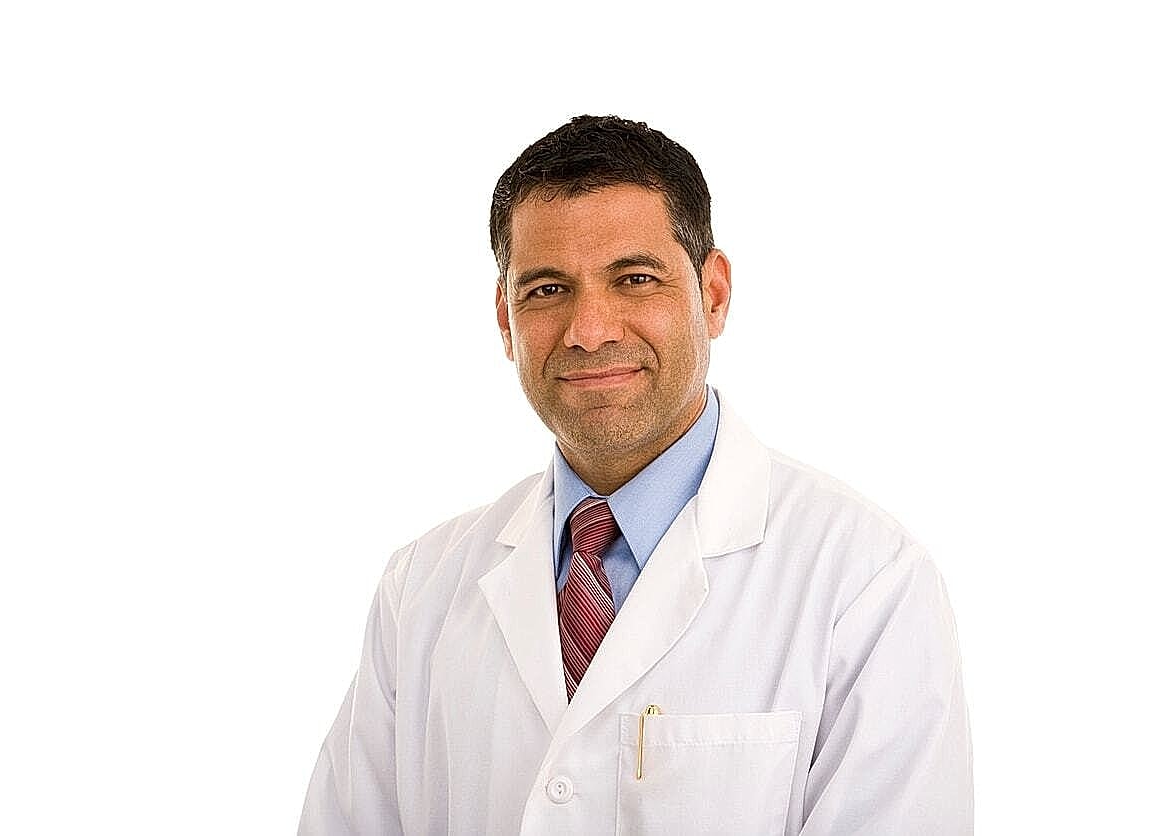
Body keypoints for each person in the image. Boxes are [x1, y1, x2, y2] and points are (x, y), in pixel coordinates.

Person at [299, 115, 973, 835]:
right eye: (547, 289)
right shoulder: (421, 591)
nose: (589, 330)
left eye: (635, 279)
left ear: (713, 294)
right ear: (504, 316)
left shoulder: (867, 582)